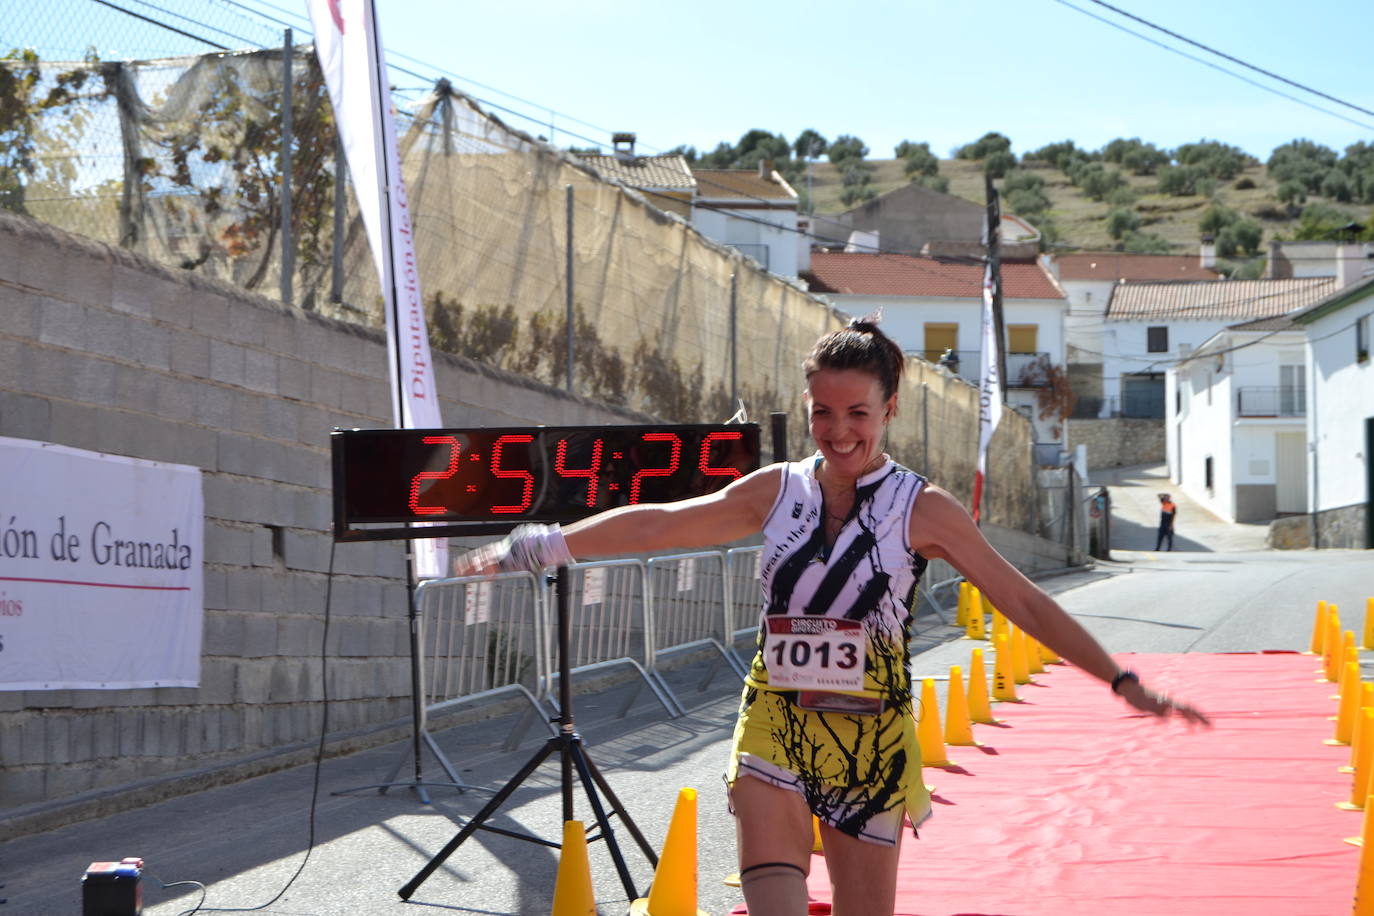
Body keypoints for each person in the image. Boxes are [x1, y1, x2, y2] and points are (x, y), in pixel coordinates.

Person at [454, 316, 1209, 916]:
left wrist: (1120, 678)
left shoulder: (926, 510)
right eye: (822, 412)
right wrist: (542, 543)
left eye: (857, 412)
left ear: (889, 409)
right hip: (774, 721)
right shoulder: (775, 490)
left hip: (871, 739)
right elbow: (660, 524)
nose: (839, 431)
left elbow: (1022, 600)